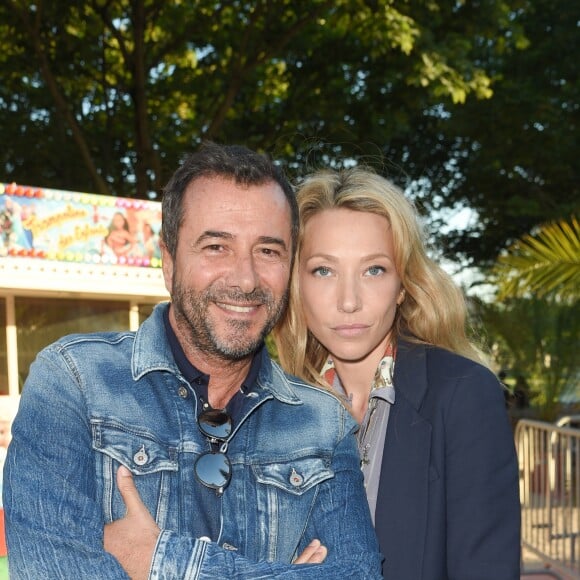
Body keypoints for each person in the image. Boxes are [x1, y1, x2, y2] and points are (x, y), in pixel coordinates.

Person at [3, 145, 382, 579]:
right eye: (216, 246)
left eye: (268, 251)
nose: (245, 278)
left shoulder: (324, 425)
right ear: (168, 263)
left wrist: (160, 562)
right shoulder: (75, 383)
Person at [273, 167, 521, 579]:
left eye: (374, 270)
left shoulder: (462, 396)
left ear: (403, 285)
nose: (348, 301)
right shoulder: (277, 411)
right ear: (295, 284)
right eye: (323, 270)